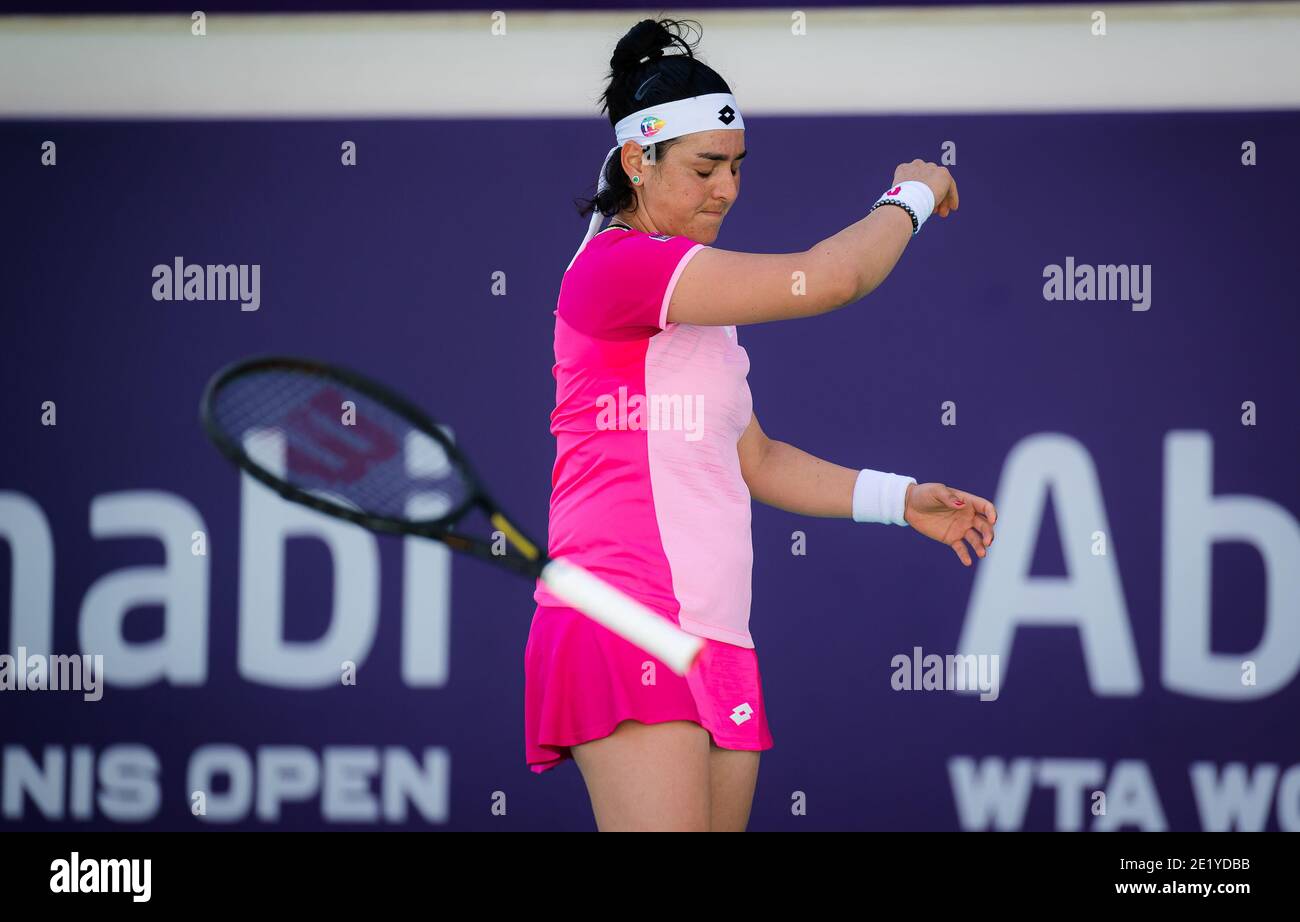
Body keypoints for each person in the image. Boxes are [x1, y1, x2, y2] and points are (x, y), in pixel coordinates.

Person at [525, 17, 997, 832]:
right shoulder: (617, 268)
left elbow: (761, 458)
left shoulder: (700, 311)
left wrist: (899, 498)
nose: (728, 188)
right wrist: (911, 194)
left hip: (716, 636)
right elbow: (833, 277)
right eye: (706, 167)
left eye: (737, 166)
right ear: (638, 162)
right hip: (625, 616)